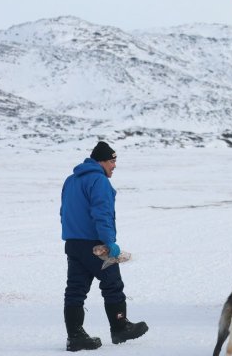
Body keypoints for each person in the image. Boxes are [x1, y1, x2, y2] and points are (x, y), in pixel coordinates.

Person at [60, 141, 148, 351]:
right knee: (112, 285)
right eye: (112, 161)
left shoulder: (70, 180)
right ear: (101, 161)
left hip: (73, 244)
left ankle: (75, 336)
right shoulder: (98, 181)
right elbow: (102, 213)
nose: (114, 165)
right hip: (96, 247)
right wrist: (109, 242)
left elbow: (63, 212)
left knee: (75, 290)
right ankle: (120, 327)